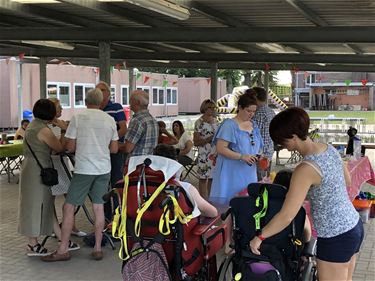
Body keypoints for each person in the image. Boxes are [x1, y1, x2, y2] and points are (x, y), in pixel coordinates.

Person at [249, 107, 363, 281]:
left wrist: (260, 237)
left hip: (335, 236)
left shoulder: (305, 169)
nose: (283, 147)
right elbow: (347, 181)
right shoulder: (328, 148)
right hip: (353, 226)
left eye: (282, 142)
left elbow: (287, 215)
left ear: (293, 136)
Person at [42, 88, 119, 262]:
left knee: (68, 208)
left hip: (84, 169)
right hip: (103, 169)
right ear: (101, 102)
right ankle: (98, 248)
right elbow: (114, 149)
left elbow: (69, 147)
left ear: (86, 101)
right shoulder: (110, 119)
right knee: (98, 208)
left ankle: (63, 249)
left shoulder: (78, 118)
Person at [18, 99, 64, 256]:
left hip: (30, 167)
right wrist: (63, 129)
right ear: (50, 113)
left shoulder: (32, 125)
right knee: (35, 205)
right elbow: (59, 147)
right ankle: (32, 244)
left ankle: (60, 238)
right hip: (38, 170)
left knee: (43, 204)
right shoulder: (44, 130)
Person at [210, 94, 263, 206]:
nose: (251, 114)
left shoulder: (254, 125)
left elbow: (257, 147)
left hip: (248, 172)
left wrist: (260, 157)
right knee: (229, 205)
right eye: (248, 111)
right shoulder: (229, 125)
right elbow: (220, 148)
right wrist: (241, 156)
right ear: (239, 107)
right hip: (231, 173)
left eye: (254, 111)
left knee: (247, 205)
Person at [48, 98, 86, 238]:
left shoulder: (63, 123)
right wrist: (65, 133)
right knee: (50, 197)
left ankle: (71, 225)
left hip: (63, 162)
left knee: (70, 195)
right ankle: (52, 226)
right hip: (52, 163)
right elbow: (57, 147)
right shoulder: (47, 126)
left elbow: (68, 144)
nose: (62, 110)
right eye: (59, 107)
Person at [153, 144, 218, 218]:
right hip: (178, 226)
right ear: (175, 162)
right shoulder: (184, 187)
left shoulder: (142, 184)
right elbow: (212, 213)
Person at [96, 81, 127, 187]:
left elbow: (123, 129)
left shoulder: (116, 107)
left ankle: (117, 202)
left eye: (102, 90)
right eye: (97, 90)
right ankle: (104, 203)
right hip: (99, 150)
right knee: (100, 180)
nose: (99, 92)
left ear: (109, 93)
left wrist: (111, 141)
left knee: (116, 178)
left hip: (114, 149)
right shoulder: (94, 109)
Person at [273, 169, 311, 243]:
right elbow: (307, 237)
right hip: (288, 249)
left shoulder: (261, 204)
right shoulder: (298, 210)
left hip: (263, 247)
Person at [245, 87, 275, 180]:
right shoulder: (271, 111)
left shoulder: (258, 113)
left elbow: (251, 133)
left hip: (259, 153)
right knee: (265, 180)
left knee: (257, 181)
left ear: (255, 97)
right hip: (268, 151)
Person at [119, 90, 158, 157]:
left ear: (137, 102)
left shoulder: (137, 121)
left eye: (131, 100)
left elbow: (128, 148)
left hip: (135, 163)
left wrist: (114, 145)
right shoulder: (152, 120)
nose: (129, 103)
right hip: (148, 162)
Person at [193, 99, 218, 199]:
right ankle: (203, 199)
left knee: (212, 178)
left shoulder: (216, 121)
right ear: (204, 108)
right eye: (210, 108)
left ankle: (211, 199)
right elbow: (196, 141)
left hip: (215, 154)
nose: (212, 110)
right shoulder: (199, 122)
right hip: (204, 154)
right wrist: (208, 139)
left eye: (213, 108)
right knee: (203, 178)